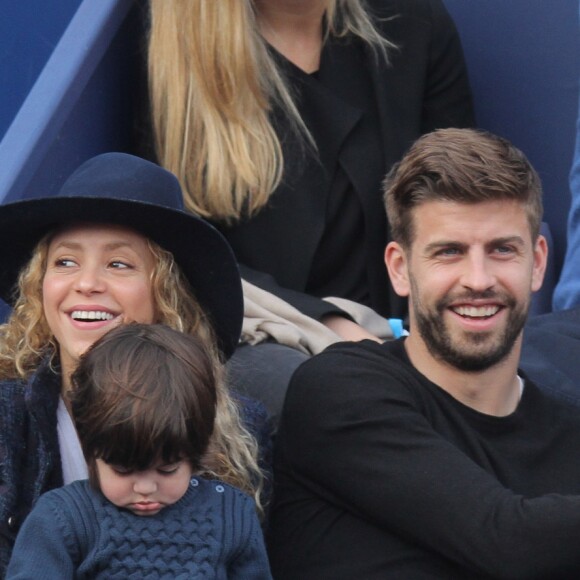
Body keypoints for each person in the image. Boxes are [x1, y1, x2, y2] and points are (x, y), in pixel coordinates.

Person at [267, 128, 580, 579]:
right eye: (449, 252)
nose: (478, 279)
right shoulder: (341, 391)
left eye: (502, 250)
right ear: (400, 268)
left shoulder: (569, 436)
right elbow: (504, 538)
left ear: (539, 262)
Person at [147, 0, 475, 423]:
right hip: (265, 336)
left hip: (403, 333)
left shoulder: (410, 24)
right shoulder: (179, 55)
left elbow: (459, 206)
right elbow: (185, 252)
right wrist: (335, 326)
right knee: (331, 397)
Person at [0, 152, 266, 574]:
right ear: (38, 285)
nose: (86, 284)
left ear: (168, 292)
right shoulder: (6, 414)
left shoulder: (240, 430)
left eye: (118, 264)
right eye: (65, 261)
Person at [6, 323, 272, 578]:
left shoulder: (232, 515)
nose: (145, 488)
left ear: (197, 451)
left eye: (167, 469)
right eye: (123, 470)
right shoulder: (63, 518)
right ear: (91, 448)